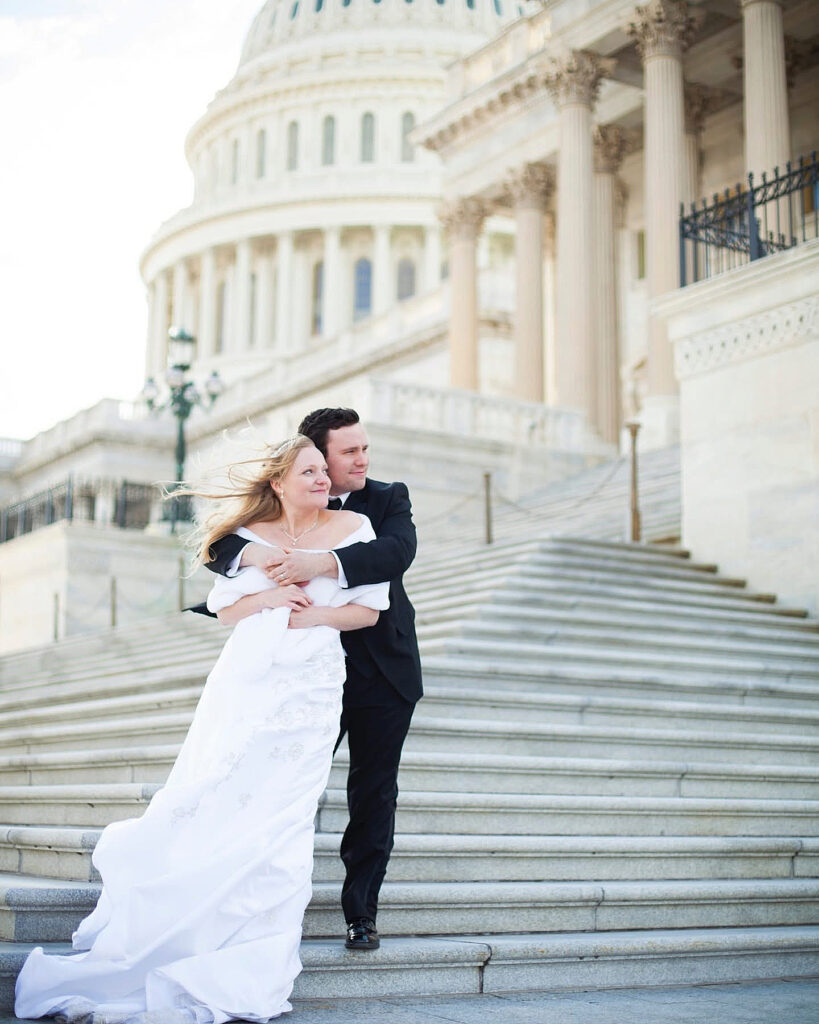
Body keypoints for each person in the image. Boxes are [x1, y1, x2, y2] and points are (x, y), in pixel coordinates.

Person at [14, 435, 390, 1024]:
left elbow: (367, 610)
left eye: (325, 469)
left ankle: (256, 948)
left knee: (285, 812)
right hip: (246, 680)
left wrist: (311, 613)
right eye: (311, 470)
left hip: (312, 682)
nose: (324, 479)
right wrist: (269, 595)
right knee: (217, 788)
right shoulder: (249, 540)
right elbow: (225, 609)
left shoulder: (355, 531)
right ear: (278, 481)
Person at [204, 408, 422, 952]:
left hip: (379, 672)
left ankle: (360, 913)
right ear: (313, 458)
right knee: (278, 783)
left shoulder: (387, 497)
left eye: (363, 449)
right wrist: (257, 553)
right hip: (297, 674)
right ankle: (254, 903)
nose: (361, 461)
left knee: (373, 793)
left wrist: (316, 564)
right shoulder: (282, 503)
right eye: (348, 452)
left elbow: (397, 553)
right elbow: (221, 546)